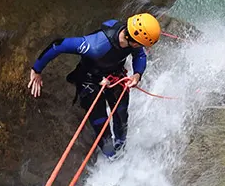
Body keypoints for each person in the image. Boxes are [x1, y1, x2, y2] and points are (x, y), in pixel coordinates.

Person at [27, 13, 162, 161]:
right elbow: (59, 45)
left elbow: (140, 56)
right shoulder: (95, 45)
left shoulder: (132, 37)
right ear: (135, 41)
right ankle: (111, 156)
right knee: (100, 122)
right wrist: (36, 70)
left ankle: (121, 146)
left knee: (121, 114)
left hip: (115, 74)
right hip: (89, 80)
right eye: (141, 44)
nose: (142, 47)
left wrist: (137, 75)